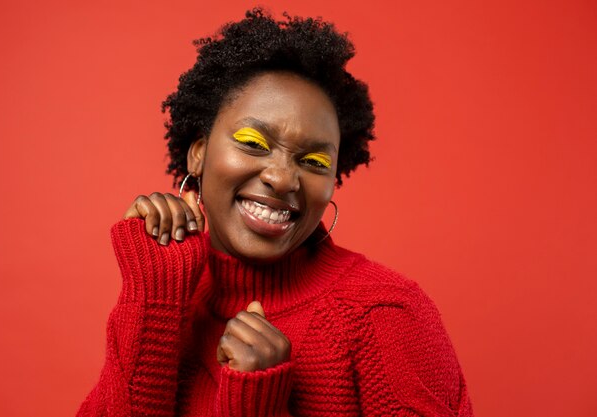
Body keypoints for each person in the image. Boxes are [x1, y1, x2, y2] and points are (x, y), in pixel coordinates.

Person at [77, 8, 473, 417]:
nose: (284, 178)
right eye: (253, 142)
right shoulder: (169, 300)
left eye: (315, 162)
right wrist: (153, 301)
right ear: (198, 153)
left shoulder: (385, 312)